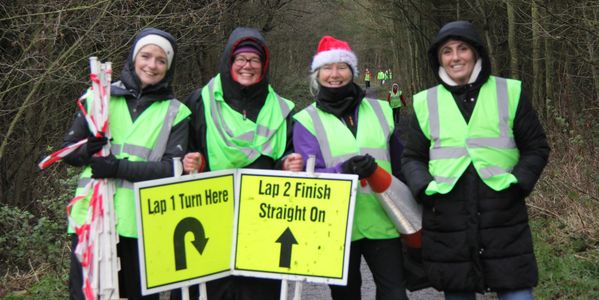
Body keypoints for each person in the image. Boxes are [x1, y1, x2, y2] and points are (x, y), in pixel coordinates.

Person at [401, 20, 550, 300]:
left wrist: (519, 183)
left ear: (477, 53)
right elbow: (412, 157)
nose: (455, 57)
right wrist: (424, 189)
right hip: (447, 216)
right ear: (439, 59)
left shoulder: (510, 92)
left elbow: (536, 147)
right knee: (458, 292)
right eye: (447, 51)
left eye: (462, 49)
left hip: (503, 213)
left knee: (517, 292)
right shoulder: (424, 102)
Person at [171, 27, 303, 300]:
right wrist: (189, 161)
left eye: (255, 60)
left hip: (263, 220)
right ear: (228, 61)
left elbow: (287, 154)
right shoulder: (199, 102)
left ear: (264, 66)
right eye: (240, 58)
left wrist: (288, 164)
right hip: (209, 219)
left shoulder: (282, 109)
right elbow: (182, 151)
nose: (247, 66)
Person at [63, 28, 191, 299]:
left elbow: (172, 170)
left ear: (168, 67)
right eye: (146, 56)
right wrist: (88, 149)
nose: (151, 65)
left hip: (144, 226)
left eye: (161, 60)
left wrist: (118, 168)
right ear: (134, 58)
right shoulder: (99, 96)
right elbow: (67, 154)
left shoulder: (176, 112)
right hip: (92, 220)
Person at [293, 35, 409, 300]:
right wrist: (343, 172)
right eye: (327, 68)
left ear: (353, 71)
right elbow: (306, 180)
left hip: (384, 220)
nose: (335, 74)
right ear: (317, 73)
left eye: (342, 67)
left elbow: (401, 164)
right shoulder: (305, 120)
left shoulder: (381, 110)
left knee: (395, 294)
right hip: (336, 227)